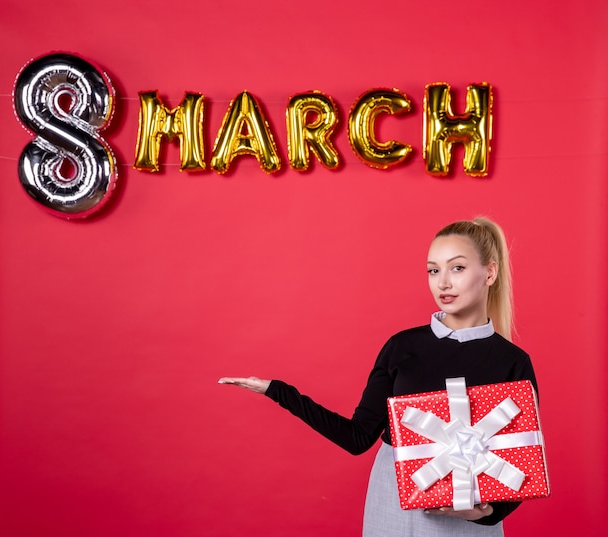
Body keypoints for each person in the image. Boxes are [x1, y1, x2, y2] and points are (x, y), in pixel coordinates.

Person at [219, 217, 538, 537]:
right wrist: (278, 391)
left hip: (468, 518)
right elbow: (357, 438)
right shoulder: (401, 348)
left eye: (457, 268)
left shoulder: (511, 362)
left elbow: (523, 464)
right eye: (433, 270)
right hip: (393, 503)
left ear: (490, 273)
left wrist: (484, 513)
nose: (442, 283)